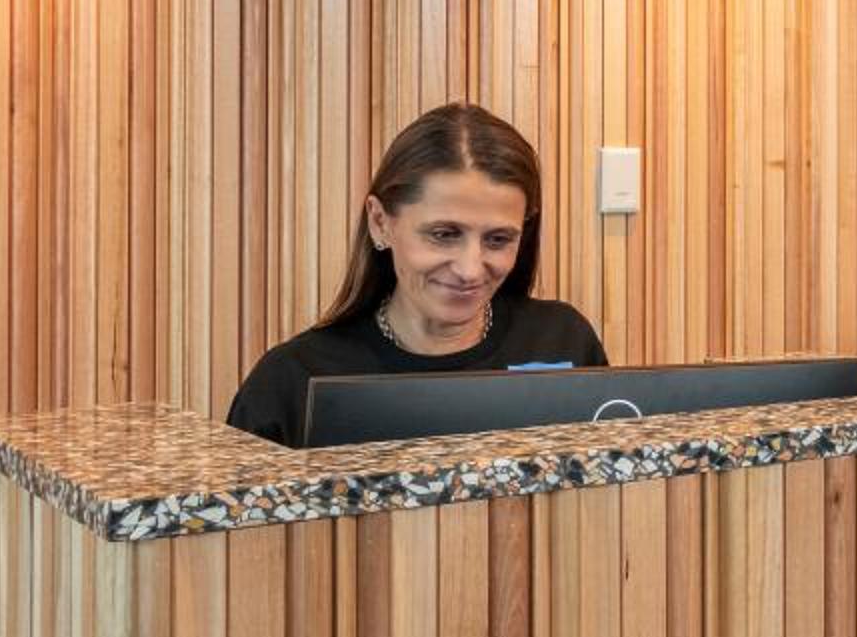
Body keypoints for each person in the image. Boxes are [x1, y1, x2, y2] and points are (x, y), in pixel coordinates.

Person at [226, 102, 608, 447]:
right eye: (443, 234)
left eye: (498, 239)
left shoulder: (563, 340)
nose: (469, 269)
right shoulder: (291, 381)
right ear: (380, 222)